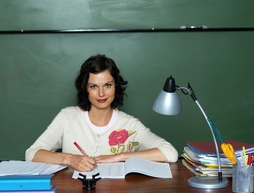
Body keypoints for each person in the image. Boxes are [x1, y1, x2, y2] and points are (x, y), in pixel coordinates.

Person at [25, 54, 178, 172]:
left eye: (107, 85)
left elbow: (170, 153)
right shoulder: (67, 117)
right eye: (93, 86)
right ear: (85, 88)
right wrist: (70, 159)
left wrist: (120, 157)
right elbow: (31, 154)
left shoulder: (130, 125)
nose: (101, 93)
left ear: (116, 86)